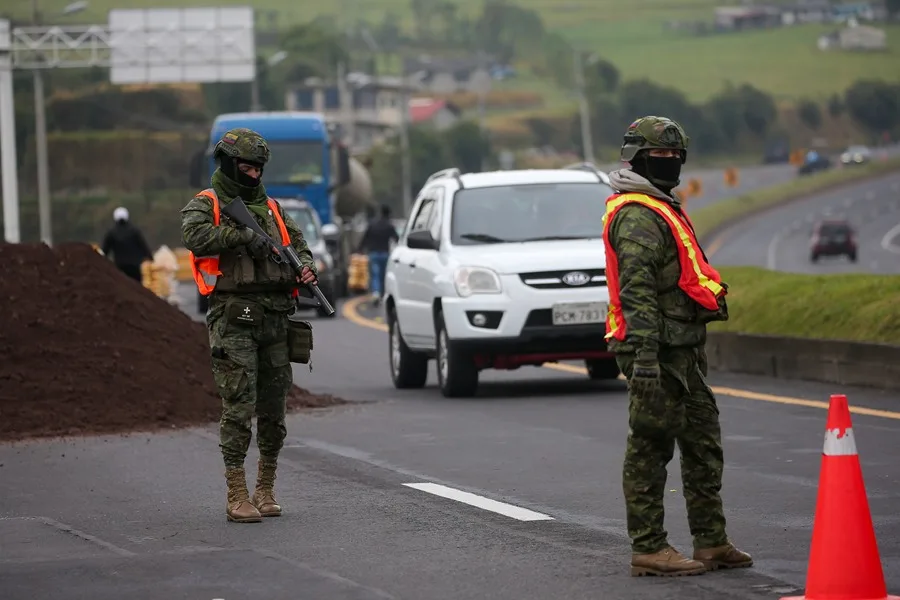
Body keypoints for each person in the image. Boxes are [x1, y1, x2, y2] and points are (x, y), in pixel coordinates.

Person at [602, 116, 752, 576]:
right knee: (651, 447)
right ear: (638, 159)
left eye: (675, 157)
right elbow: (637, 289)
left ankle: (711, 541)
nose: (669, 164)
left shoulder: (660, 205)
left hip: (682, 348)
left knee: (703, 443)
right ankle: (649, 548)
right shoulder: (637, 214)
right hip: (656, 351)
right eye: (660, 156)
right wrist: (645, 359)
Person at [180, 127, 318, 524]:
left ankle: (266, 488)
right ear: (227, 163)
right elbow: (194, 235)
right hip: (235, 318)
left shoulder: (273, 209)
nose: (254, 174)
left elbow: (300, 245)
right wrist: (242, 237)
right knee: (238, 406)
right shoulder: (208, 203)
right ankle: (237, 493)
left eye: (258, 168)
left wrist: (305, 268)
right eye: (246, 167)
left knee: (275, 410)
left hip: (276, 319)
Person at [356, 204, 399, 305]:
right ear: (389, 214)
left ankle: (376, 293)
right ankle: (383, 294)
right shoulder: (389, 225)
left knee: (375, 275)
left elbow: (365, 238)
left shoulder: (372, 224)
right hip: (385, 254)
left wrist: (360, 249)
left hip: (374, 253)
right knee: (383, 275)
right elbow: (396, 239)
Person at [100, 207, 154, 283]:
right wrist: (151, 258)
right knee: (136, 287)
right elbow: (143, 246)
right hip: (135, 267)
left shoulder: (111, 233)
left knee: (122, 286)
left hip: (119, 266)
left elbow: (105, 251)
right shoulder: (135, 231)